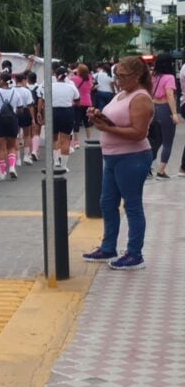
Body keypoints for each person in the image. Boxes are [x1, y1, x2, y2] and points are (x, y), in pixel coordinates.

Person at [83, 56, 154, 270]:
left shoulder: (141, 98)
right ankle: (108, 247)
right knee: (107, 202)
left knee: (132, 205)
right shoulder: (122, 94)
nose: (118, 80)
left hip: (132, 157)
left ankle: (134, 253)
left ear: (138, 76)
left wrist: (107, 129)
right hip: (113, 157)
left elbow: (138, 133)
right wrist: (98, 116)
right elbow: (116, 120)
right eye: (117, 75)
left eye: (123, 76)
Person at [149, 52, 180, 179]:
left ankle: (147, 167)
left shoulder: (153, 76)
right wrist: (174, 113)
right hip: (164, 109)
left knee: (155, 141)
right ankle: (161, 170)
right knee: (167, 141)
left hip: (153, 108)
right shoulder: (169, 77)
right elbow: (169, 95)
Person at [48, 67, 79, 167]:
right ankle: (64, 166)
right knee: (65, 140)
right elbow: (78, 101)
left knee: (53, 138)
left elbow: (45, 100)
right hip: (67, 112)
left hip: (53, 111)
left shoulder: (51, 86)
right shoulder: (71, 87)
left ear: (56, 76)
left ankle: (56, 161)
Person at [71, 63, 94, 149]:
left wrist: (74, 73)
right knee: (86, 121)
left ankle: (76, 142)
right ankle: (89, 140)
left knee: (76, 121)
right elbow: (91, 87)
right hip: (88, 102)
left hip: (78, 102)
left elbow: (69, 81)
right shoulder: (89, 79)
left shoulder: (75, 79)